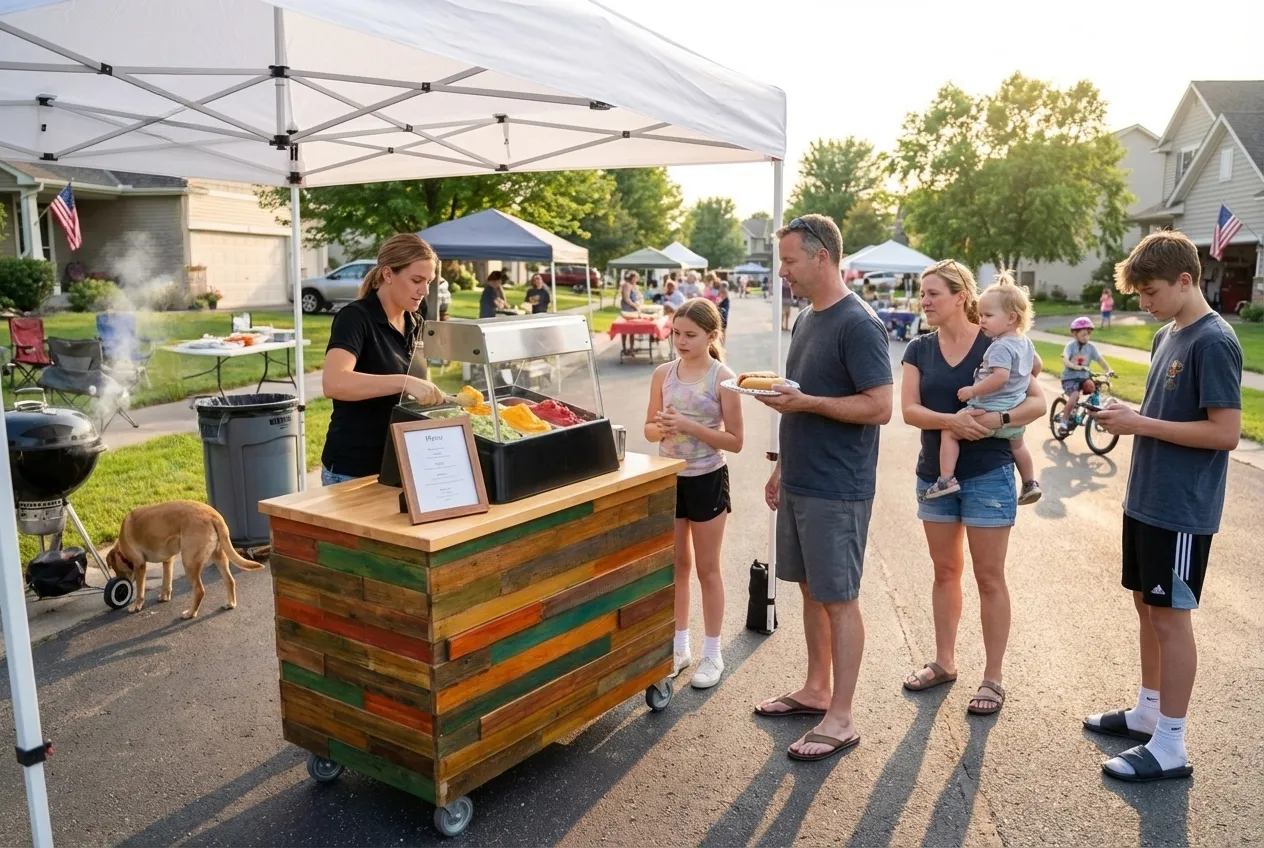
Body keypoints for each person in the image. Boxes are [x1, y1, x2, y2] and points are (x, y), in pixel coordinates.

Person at [1084, 232, 1242, 783]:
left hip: (1181, 509)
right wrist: (1132, 412)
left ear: (1185, 280)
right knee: (1146, 608)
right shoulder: (1165, 336)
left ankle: (1172, 743)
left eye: (1150, 292)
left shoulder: (1214, 341)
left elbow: (1225, 433)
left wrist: (1140, 423)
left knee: (1173, 619)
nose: (1144, 303)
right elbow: (1166, 414)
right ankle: (1148, 709)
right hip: (1146, 499)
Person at [752, 214, 893, 761]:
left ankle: (842, 717)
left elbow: (879, 407)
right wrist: (782, 467)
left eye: (788, 260)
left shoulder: (859, 324)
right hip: (802, 478)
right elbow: (798, 399)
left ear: (821, 257)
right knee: (810, 590)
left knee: (839, 599)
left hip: (839, 485)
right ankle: (816, 690)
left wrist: (807, 403)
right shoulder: (806, 319)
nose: (782, 271)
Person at [899, 259, 1047, 715]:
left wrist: (998, 419)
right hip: (936, 475)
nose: (924, 301)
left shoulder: (999, 335)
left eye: (933, 293)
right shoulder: (918, 349)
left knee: (988, 577)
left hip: (989, 473)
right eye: (922, 293)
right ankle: (944, 662)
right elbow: (908, 411)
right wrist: (952, 420)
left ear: (960, 296)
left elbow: (1038, 399)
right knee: (945, 572)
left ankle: (993, 677)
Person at [645, 298, 744, 690]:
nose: (681, 342)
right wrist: (662, 429)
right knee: (676, 567)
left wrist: (687, 424)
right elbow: (649, 430)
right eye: (676, 334)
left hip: (707, 477)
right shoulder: (662, 374)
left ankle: (712, 653)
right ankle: (679, 645)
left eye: (690, 335)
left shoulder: (724, 378)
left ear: (711, 336)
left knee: (707, 568)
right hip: (670, 477)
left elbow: (735, 441)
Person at [321, 234, 445, 485]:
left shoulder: (415, 321)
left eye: (429, 282)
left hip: (398, 464)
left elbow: (415, 391)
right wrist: (403, 381)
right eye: (417, 280)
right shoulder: (355, 318)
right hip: (352, 470)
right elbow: (334, 383)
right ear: (388, 275)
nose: (425, 290)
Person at [922, 273, 1042, 506]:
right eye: (980, 315)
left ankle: (946, 478)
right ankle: (1029, 482)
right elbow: (1035, 366)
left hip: (987, 408)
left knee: (950, 431)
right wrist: (1021, 381)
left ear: (1011, 318)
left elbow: (999, 377)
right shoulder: (1024, 342)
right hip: (1013, 413)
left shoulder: (999, 346)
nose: (982, 320)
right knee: (1018, 445)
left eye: (987, 315)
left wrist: (972, 391)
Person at [1057, 317, 1114, 435]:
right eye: (1083, 335)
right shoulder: (1070, 346)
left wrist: (1109, 369)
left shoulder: (1090, 347)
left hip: (1084, 377)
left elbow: (1100, 360)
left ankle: (1088, 413)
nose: (1086, 337)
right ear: (1074, 334)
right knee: (1075, 395)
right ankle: (1064, 420)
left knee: (1093, 388)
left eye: (1088, 334)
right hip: (1070, 378)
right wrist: (1074, 366)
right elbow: (1065, 359)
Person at [620, 271, 644, 358]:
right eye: (635, 277)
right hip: (627, 310)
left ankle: (631, 348)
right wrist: (635, 306)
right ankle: (625, 348)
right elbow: (626, 299)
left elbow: (639, 296)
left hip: (633, 310)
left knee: (632, 330)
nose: (636, 279)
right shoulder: (626, 285)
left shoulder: (635, 287)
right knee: (625, 330)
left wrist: (639, 304)